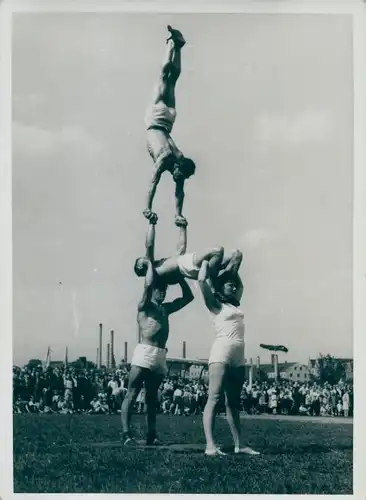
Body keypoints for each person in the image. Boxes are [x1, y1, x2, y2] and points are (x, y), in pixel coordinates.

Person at [121, 250, 194, 446]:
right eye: (159, 290)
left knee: (152, 397)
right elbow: (147, 285)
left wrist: (179, 277)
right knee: (132, 393)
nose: (162, 293)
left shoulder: (166, 309)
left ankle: (151, 435)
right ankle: (127, 434)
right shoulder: (144, 306)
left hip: (160, 354)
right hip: (145, 352)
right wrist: (150, 270)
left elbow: (189, 298)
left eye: (164, 291)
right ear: (153, 290)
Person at [197, 254, 260, 456]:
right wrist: (207, 262)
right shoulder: (215, 305)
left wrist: (235, 260)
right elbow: (201, 280)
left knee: (233, 402)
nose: (233, 287)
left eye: (234, 285)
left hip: (238, 355)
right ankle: (210, 445)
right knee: (214, 398)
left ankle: (239, 445)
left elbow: (237, 271)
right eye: (229, 285)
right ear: (220, 287)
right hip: (221, 353)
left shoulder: (235, 304)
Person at [144, 25, 196, 226]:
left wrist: (178, 214)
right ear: (178, 169)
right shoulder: (168, 158)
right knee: (165, 75)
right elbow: (153, 181)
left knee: (171, 80)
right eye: (179, 176)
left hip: (166, 121)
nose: (177, 179)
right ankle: (171, 45)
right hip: (157, 119)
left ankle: (177, 46)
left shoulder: (179, 161)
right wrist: (147, 207)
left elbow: (179, 192)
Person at [134, 216, 240, 288]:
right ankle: (214, 285)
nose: (145, 257)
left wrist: (183, 228)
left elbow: (180, 249)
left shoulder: (162, 265)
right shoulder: (154, 271)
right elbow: (149, 245)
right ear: (140, 266)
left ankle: (224, 286)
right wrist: (152, 223)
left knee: (236, 255)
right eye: (142, 259)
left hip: (189, 261)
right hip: (188, 266)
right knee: (218, 250)